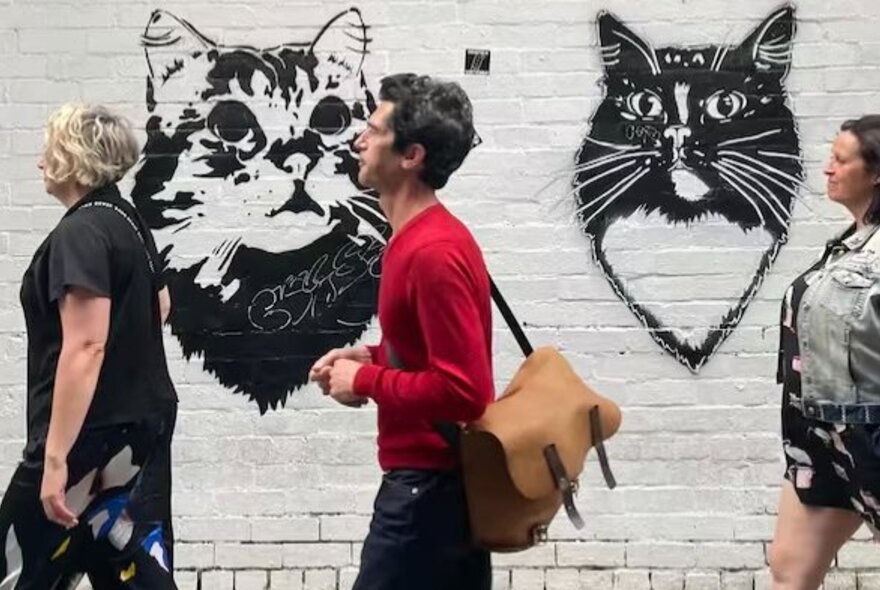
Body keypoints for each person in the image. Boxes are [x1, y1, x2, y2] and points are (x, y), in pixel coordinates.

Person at [309, 73, 493, 589]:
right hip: (435, 487)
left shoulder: (433, 252)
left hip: (426, 492)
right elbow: (428, 353)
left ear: (410, 155)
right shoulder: (413, 240)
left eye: (373, 130)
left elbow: (465, 391)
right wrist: (371, 357)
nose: (358, 141)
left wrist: (364, 383)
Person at [0, 104, 178, 588]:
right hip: (139, 427)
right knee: (132, 568)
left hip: (89, 437)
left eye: (48, 150)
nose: (40, 163)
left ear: (73, 157)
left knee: (19, 567)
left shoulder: (80, 233)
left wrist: (55, 460)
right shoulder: (127, 219)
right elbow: (159, 306)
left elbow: (86, 346)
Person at [769, 115, 880, 589]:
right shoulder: (848, 246)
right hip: (821, 437)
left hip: (871, 436)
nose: (827, 169)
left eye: (840, 159)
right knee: (788, 570)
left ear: (876, 173)